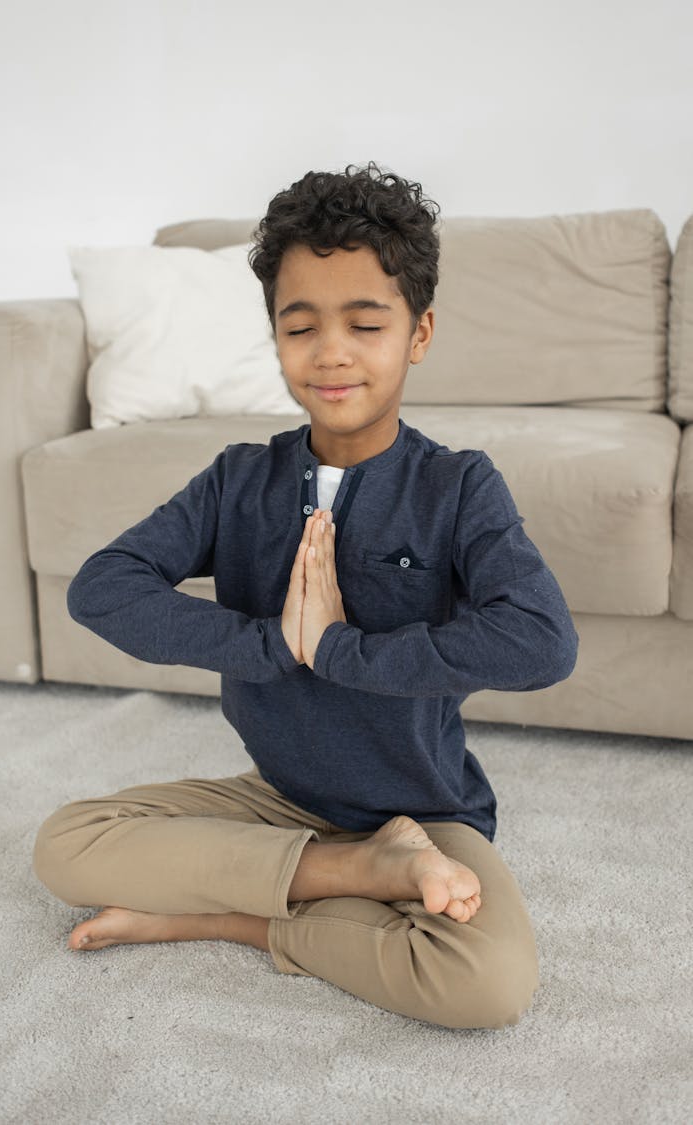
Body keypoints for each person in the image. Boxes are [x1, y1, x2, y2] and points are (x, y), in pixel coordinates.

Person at [32, 163, 578, 1028]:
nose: (331, 352)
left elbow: (543, 640)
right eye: (301, 325)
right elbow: (104, 587)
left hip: (422, 811)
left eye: (366, 323)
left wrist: (336, 647)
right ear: (275, 336)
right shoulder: (237, 479)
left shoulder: (458, 487)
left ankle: (233, 916)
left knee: (487, 984)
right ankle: (358, 874)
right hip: (278, 798)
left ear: (419, 332)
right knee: (64, 846)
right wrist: (271, 644)